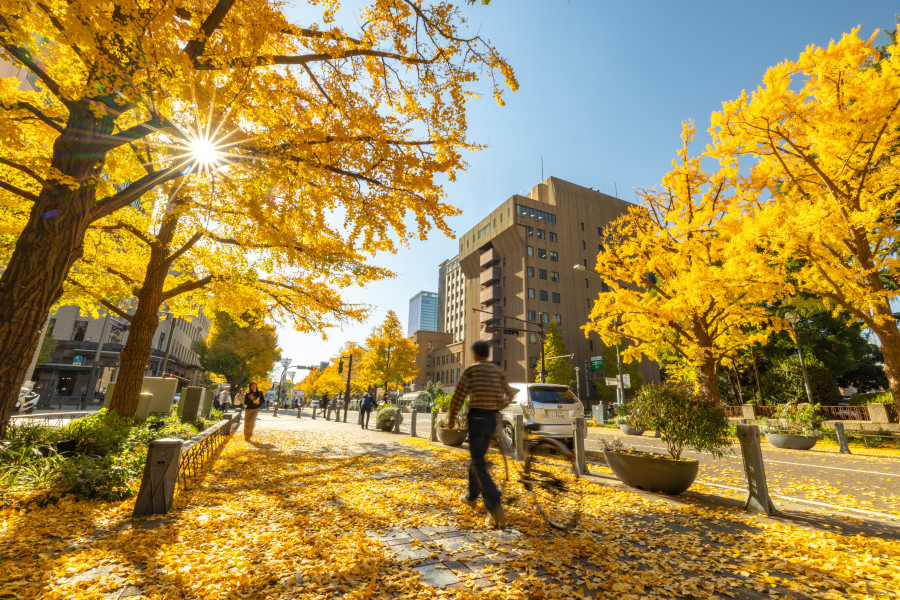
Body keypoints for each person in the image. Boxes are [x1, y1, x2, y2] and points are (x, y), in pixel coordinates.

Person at [448, 340, 515, 529]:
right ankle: (471, 496)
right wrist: (497, 407)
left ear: (476, 354)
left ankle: (494, 505)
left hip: (476, 419)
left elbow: (458, 396)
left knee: (479, 463)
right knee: (477, 459)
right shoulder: (497, 371)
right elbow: (510, 395)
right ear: (487, 354)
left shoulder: (472, 371)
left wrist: (452, 419)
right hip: (491, 421)